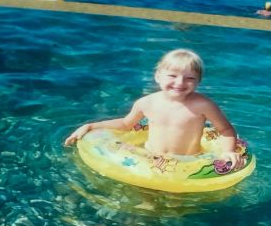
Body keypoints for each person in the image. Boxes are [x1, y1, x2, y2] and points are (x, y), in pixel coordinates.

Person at [64, 49, 243, 169]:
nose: (180, 83)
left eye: (189, 78)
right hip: (149, 157)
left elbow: (225, 130)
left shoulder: (203, 105)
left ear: (198, 82)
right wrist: (91, 126)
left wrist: (227, 152)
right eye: (172, 75)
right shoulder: (146, 103)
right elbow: (126, 124)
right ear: (158, 76)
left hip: (187, 162)